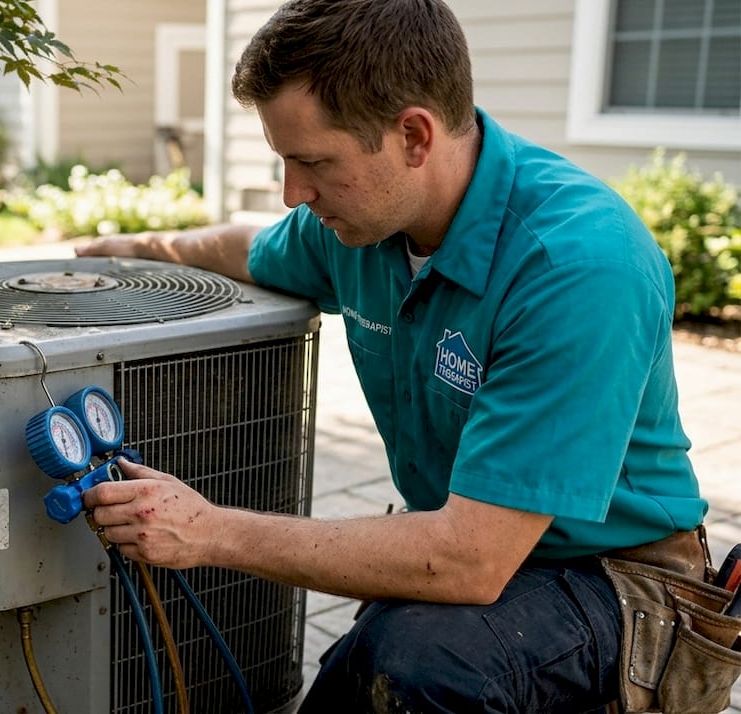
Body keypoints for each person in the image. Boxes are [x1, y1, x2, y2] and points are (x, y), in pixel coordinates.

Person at [77, 0, 716, 711]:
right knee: (360, 679)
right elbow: (245, 247)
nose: (295, 193)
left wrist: (209, 531)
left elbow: (467, 561)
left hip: (618, 577)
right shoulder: (359, 225)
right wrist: (128, 252)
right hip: (482, 548)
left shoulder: (578, 265)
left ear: (413, 135)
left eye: (313, 162)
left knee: (415, 665)